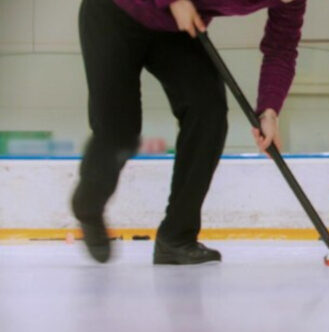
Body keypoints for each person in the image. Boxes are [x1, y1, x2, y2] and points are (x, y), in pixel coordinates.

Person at [71, 0, 305, 264]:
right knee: (120, 131)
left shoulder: (292, 3)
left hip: (172, 29)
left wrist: (269, 111)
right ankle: (88, 205)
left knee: (209, 111)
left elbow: (281, 47)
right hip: (117, 11)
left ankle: (176, 236)